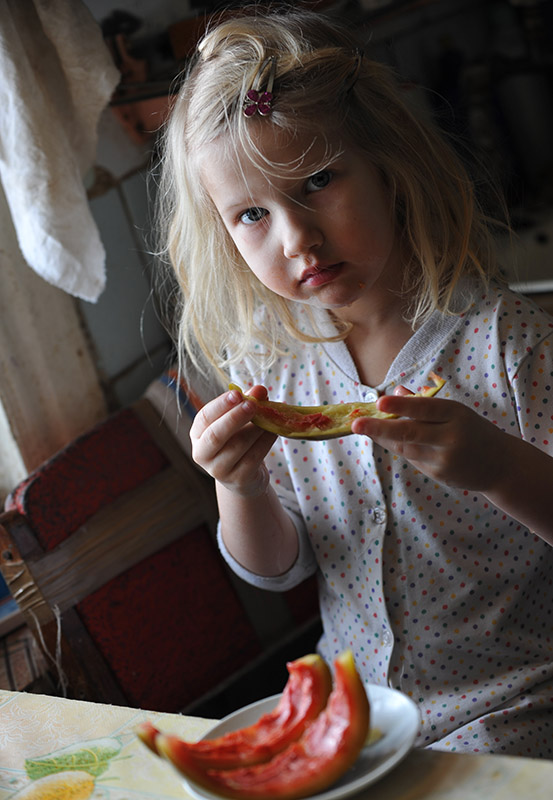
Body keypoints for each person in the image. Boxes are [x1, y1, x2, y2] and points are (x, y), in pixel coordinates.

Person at [155, 5, 553, 757]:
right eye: (251, 214)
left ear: (388, 165)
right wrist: (239, 486)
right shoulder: (269, 367)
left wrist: (499, 468)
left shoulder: (509, 344)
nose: (296, 237)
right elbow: (279, 570)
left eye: (317, 181)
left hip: (515, 705)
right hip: (353, 720)